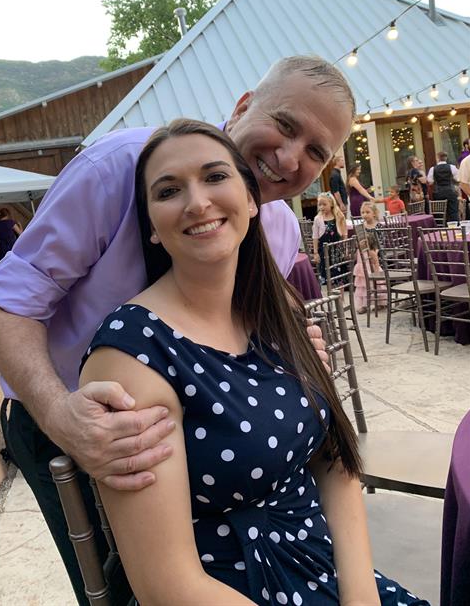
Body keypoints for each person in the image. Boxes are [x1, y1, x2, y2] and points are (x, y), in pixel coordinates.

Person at [0, 55, 356, 602]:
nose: (288, 158)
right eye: (285, 125)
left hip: (212, 441)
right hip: (77, 417)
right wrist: (61, 415)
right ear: (242, 107)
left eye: (316, 152)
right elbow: (8, 307)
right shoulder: (117, 168)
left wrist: (292, 352)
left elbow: (245, 324)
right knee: (120, 588)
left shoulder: (277, 226)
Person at [81, 119, 429, 605]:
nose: (197, 202)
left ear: (250, 200)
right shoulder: (134, 354)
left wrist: (361, 595)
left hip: (323, 567)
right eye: (169, 191)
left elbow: (334, 459)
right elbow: (166, 586)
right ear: (152, 227)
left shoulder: (276, 309)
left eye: (215, 176)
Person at [353, 202, 387, 314]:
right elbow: (358, 242)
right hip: (363, 256)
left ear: (374, 213)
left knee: (376, 277)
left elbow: (381, 242)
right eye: (362, 212)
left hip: (376, 253)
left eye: (367, 212)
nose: (364, 214)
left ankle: (380, 301)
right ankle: (364, 304)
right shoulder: (361, 227)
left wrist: (373, 254)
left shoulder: (378, 226)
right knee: (363, 281)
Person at [312, 192, 347, 284]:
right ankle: (331, 291)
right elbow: (315, 236)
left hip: (337, 251)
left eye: (324, 204)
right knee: (327, 276)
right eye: (320, 205)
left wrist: (345, 248)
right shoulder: (318, 219)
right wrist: (315, 252)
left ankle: (341, 293)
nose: (322, 207)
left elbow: (344, 234)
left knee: (339, 277)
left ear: (331, 204)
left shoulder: (338, 216)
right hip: (324, 252)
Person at [427, 151, 459, 222]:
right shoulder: (452, 167)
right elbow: (458, 178)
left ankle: (441, 227)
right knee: (453, 211)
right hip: (450, 191)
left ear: (437, 158)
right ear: (446, 158)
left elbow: (430, 181)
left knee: (440, 213)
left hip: (438, 192)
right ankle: (455, 226)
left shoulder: (433, 169)